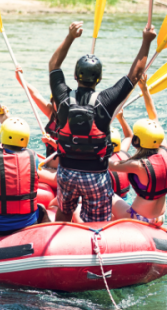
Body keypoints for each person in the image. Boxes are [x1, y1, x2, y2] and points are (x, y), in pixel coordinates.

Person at [49, 21, 156, 222]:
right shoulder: (106, 100)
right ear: (99, 79)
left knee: (64, 211)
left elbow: (54, 66)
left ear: (75, 75)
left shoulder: (62, 97)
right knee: (98, 221)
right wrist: (146, 42)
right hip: (96, 175)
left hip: (66, 173)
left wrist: (70, 36)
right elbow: (134, 75)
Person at [0, 73, 50, 236]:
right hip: (28, 223)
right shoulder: (33, 158)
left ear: (2, 135)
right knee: (41, 209)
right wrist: (7, 120)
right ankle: (45, 243)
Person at [110, 74, 167, 225]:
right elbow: (154, 118)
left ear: (137, 141)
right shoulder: (164, 151)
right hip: (159, 218)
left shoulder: (138, 165)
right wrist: (145, 89)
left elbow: (108, 165)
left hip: (138, 217)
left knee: (109, 194)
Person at [15, 65, 58, 188]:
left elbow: (71, 149)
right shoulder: (52, 113)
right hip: (47, 167)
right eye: (55, 101)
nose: (58, 105)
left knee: (25, 171)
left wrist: (52, 142)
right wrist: (21, 79)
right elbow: (35, 94)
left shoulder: (72, 120)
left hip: (61, 173)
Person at [108, 110, 133, 202]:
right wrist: (120, 118)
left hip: (109, 201)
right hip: (126, 200)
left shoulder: (98, 160)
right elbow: (129, 136)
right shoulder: (123, 153)